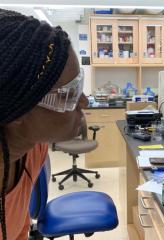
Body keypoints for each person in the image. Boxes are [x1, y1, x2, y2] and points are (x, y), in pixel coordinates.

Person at [0, 8, 88, 240]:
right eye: (69, 94)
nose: (85, 102)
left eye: (79, 86)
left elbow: (18, 228)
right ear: (18, 109)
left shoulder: (31, 148)